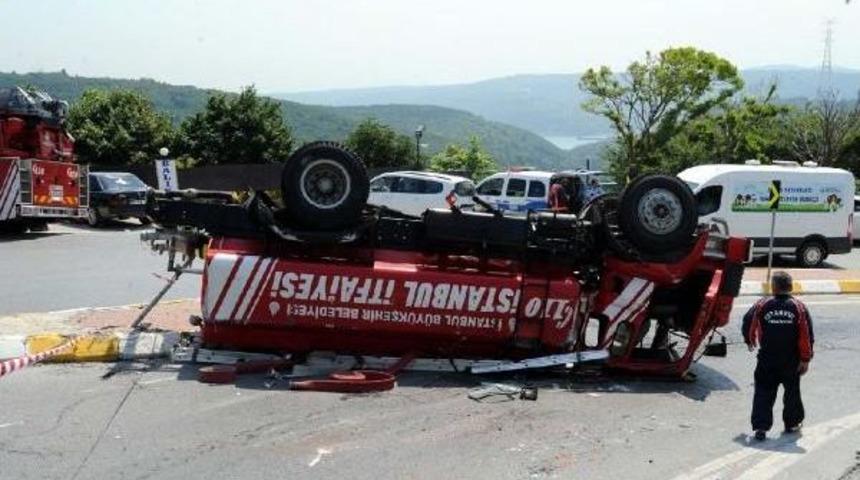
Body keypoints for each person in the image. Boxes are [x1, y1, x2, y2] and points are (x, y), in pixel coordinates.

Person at [742, 271, 814, 441]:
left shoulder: (762, 304)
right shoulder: (798, 307)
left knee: (763, 392)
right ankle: (792, 423)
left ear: (773, 287)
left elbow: (747, 321)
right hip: (791, 361)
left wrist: (749, 340)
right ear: (790, 286)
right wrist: (805, 359)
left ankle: (761, 427)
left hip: (767, 359)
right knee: (792, 393)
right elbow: (806, 335)